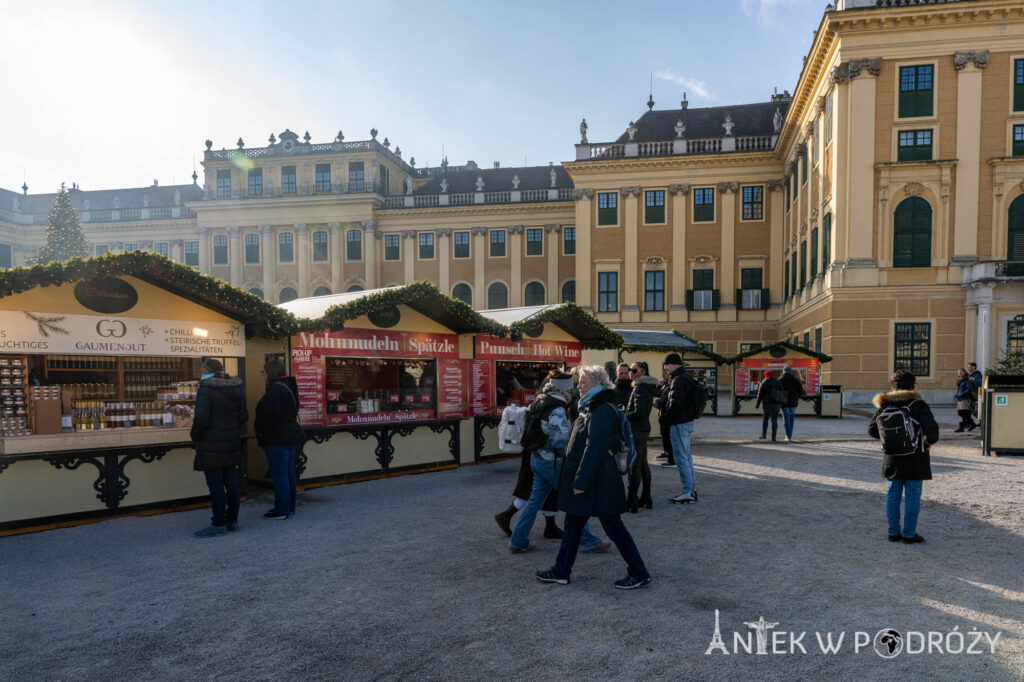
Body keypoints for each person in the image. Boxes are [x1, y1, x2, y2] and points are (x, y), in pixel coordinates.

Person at [535, 365, 651, 589]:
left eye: (583, 380)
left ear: (597, 382)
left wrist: (580, 481)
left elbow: (594, 449)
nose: (579, 384)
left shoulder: (600, 410)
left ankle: (639, 572)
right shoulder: (590, 406)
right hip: (594, 480)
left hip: (597, 481)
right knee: (574, 523)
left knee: (613, 527)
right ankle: (561, 571)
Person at [508, 372, 610, 554]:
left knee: (533, 501)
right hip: (552, 462)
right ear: (564, 388)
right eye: (570, 386)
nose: (573, 389)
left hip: (537, 458)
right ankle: (587, 541)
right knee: (574, 500)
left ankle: (517, 540)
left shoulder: (540, 400)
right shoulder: (557, 408)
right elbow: (560, 440)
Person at [868, 369, 939, 544]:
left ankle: (893, 533)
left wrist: (890, 439)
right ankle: (909, 534)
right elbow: (932, 430)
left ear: (893, 385)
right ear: (913, 385)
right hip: (916, 456)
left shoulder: (885, 405)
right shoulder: (918, 405)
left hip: (892, 456)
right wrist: (928, 441)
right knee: (913, 496)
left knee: (893, 495)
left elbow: (872, 430)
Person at [494, 370, 565, 540]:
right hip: (543, 451)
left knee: (538, 490)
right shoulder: (553, 403)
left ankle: (546, 526)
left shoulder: (540, 399)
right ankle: (508, 517)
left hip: (533, 450)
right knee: (536, 491)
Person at [190, 358, 248, 538]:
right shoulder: (235, 388)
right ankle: (233, 520)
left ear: (207, 370)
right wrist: (231, 429)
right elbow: (243, 415)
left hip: (211, 444)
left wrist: (195, 435)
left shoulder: (206, 390)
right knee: (231, 483)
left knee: (215, 485)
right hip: (231, 442)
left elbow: (201, 419)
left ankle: (219, 522)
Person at [254, 358, 304, 520]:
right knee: (288, 472)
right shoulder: (287, 387)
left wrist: (261, 431)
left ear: (270, 372)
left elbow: (270, 416)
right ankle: (288, 506)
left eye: (264, 371)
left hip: (277, 438)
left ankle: (281, 509)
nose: (262, 374)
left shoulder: (275, 390)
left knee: (280, 474)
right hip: (289, 436)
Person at [663, 353, 699, 504]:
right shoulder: (687, 378)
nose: (665, 368)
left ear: (674, 364)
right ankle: (691, 489)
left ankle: (687, 492)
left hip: (679, 423)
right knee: (687, 457)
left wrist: (665, 417)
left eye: (667, 364)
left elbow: (675, 404)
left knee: (680, 458)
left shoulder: (677, 380)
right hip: (687, 422)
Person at [624, 361, 657, 512]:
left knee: (635, 465)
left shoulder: (639, 388)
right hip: (643, 430)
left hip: (637, 430)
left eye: (634, 369)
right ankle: (646, 497)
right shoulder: (647, 388)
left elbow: (639, 412)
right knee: (643, 463)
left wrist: (624, 416)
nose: (630, 371)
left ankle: (631, 501)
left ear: (642, 372)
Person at [654, 368, 675, 467]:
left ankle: (671, 459)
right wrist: (659, 385)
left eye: (666, 373)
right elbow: (658, 394)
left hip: (667, 416)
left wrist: (657, 403)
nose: (664, 375)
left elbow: (665, 400)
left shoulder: (671, 386)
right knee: (665, 436)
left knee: (668, 438)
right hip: (663, 415)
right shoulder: (665, 385)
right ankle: (666, 453)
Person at [755, 370, 783, 442]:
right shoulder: (777, 382)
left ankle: (764, 435)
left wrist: (757, 405)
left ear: (766, 375)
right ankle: (774, 437)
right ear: (772, 375)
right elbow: (781, 392)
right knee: (774, 421)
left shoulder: (764, 382)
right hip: (776, 404)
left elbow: (760, 395)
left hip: (767, 404)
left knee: (765, 420)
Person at [778, 366, 804, 442]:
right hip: (794, 403)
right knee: (791, 418)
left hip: (784, 403)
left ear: (783, 371)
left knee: (786, 419)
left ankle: (788, 436)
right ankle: (790, 435)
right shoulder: (796, 380)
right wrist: (796, 398)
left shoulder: (780, 380)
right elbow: (801, 392)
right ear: (791, 372)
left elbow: (777, 391)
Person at [954, 368, 979, 433]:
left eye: (961, 372)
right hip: (960, 398)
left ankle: (962, 427)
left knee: (964, 413)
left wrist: (962, 394)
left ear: (964, 372)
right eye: (959, 372)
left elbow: (969, 389)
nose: (960, 373)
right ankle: (972, 424)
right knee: (962, 413)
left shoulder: (967, 379)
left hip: (965, 398)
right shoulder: (960, 380)